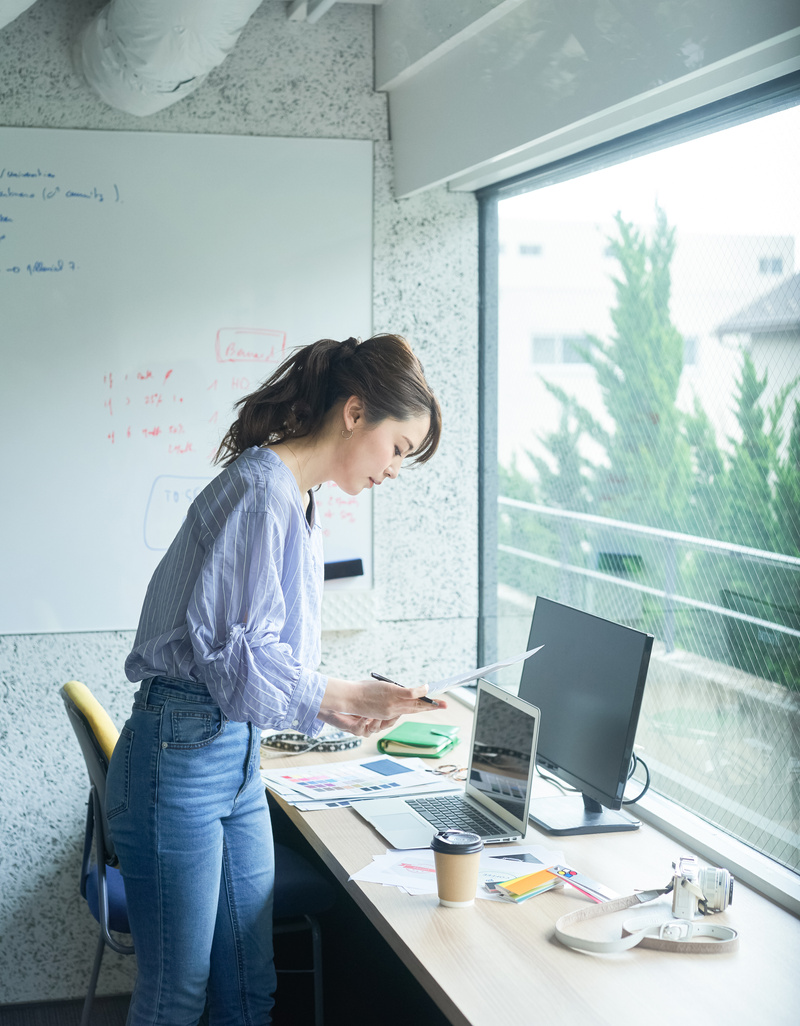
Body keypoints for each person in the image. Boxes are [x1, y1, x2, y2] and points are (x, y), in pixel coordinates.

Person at [106, 333, 445, 1025]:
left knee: (249, 986)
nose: (396, 470)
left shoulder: (298, 497)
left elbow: (259, 660)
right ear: (356, 413)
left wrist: (342, 705)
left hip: (230, 750)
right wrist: (338, 696)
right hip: (180, 754)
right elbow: (238, 663)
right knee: (176, 995)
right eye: (400, 448)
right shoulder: (263, 492)